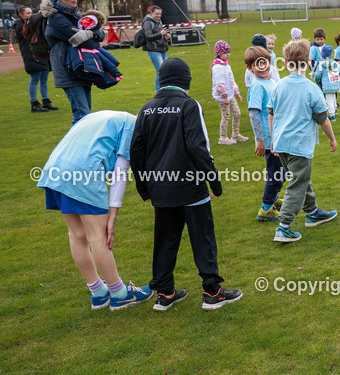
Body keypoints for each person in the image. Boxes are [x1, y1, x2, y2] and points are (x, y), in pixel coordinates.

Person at [131, 58, 243, 311]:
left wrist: (144, 188)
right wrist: (213, 179)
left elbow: (136, 151)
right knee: (202, 237)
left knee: (165, 238)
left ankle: (165, 293)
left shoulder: (146, 109)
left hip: (160, 186)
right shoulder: (189, 105)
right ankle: (212, 291)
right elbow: (197, 146)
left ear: (161, 81)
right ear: (186, 82)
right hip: (190, 185)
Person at [38, 110, 152, 310]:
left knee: (77, 234)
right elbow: (120, 171)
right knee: (98, 236)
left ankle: (98, 292)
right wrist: (113, 216)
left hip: (55, 168)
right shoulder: (134, 126)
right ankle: (119, 294)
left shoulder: (109, 116)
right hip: (84, 172)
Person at [269, 38, 339, 243]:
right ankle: (284, 226)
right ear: (309, 62)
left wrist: (273, 139)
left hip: (281, 144)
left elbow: (271, 114)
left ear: (286, 63)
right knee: (297, 183)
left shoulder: (278, 85)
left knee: (301, 179)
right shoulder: (311, 89)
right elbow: (322, 118)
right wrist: (332, 139)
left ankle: (312, 212)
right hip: (299, 145)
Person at [45, 0, 104, 125]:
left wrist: (92, 34)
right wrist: (91, 35)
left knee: (85, 113)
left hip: (82, 66)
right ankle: (73, 147)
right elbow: (85, 42)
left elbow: (101, 34)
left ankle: (79, 146)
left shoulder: (77, 14)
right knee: (81, 114)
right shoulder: (55, 17)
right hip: (67, 68)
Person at [245, 46, 286, 222]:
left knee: (282, 171)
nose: (262, 67)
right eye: (257, 64)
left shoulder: (272, 82)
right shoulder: (256, 87)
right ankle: (266, 208)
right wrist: (260, 140)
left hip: (279, 136)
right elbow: (254, 114)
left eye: (265, 62)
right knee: (276, 173)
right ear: (250, 68)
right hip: (270, 140)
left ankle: (274, 197)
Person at [14, 5, 56, 113]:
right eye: (28, 13)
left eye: (31, 13)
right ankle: (34, 104)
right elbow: (25, 33)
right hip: (31, 54)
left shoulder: (33, 23)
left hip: (41, 52)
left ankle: (46, 101)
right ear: (21, 15)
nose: (30, 15)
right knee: (35, 79)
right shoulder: (19, 25)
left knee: (44, 79)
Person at [211, 40, 247, 145]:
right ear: (219, 53)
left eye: (228, 52)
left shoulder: (227, 65)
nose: (228, 54)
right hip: (223, 97)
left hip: (230, 95)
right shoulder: (217, 68)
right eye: (225, 52)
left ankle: (235, 133)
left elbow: (231, 80)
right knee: (226, 116)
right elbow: (220, 84)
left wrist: (237, 93)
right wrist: (225, 97)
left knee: (237, 114)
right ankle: (222, 138)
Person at [140, 5, 170, 92]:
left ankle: (164, 89)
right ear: (151, 13)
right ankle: (159, 92)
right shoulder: (147, 22)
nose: (158, 16)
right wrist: (161, 34)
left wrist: (166, 36)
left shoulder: (158, 21)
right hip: (153, 50)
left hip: (162, 49)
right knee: (160, 71)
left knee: (165, 70)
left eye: (160, 14)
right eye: (156, 14)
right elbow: (149, 36)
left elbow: (160, 34)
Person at [314, 44, 340, 121]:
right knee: (333, 97)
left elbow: (318, 75)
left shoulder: (321, 64)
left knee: (329, 99)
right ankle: (335, 109)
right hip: (335, 83)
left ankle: (332, 115)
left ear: (322, 54)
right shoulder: (335, 63)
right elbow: (339, 71)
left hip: (327, 85)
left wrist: (316, 79)